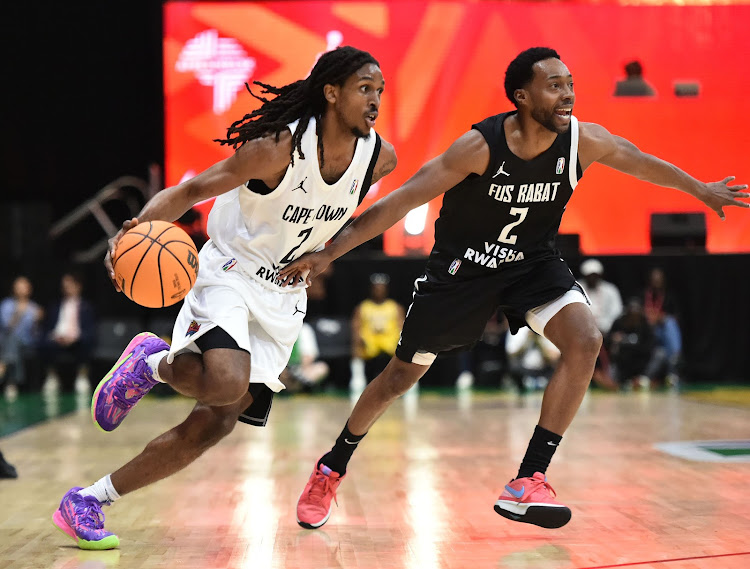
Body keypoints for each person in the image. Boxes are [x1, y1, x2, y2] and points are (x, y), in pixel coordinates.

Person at [280, 46, 748, 531]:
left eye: (569, 83)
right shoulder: (478, 147)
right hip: (464, 271)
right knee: (399, 378)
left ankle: (528, 479)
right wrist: (328, 253)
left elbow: (640, 161)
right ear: (522, 97)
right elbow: (397, 204)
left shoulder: (583, 141)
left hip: (531, 264)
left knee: (586, 339)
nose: (567, 94)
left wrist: (701, 190)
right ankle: (331, 467)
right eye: (554, 85)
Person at [52, 46, 397, 550]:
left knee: (217, 422)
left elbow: (378, 216)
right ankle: (155, 365)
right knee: (225, 381)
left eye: (380, 92)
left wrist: (331, 253)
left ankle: (90, 499)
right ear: (331, 92)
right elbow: (191, 191)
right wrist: (132, 233)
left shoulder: (378, 156)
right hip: (230, 272)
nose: (375, 101)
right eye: (365, 89)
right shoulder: (277, 149)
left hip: (285, 294)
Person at [42, 272, 96, 394]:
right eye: (64, 286)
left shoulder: (86, 306)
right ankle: (52, 377)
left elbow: (90, 330)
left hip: (77, 340)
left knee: (87, 342)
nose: (66, 289)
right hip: (58, 339)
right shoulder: (55, 306)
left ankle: (82, 376)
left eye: (69, 285)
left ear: (78, 286)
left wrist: (75, 337)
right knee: (44, 342)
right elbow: (49, 327)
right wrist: (56, 336)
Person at [349, 273, 404, 393]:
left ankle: (406, 379)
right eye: (376, 288)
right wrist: (359, 338)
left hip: (390, 341)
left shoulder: (395, 307)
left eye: (381, 288)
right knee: (356, 343)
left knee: (406, 346)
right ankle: (358, 377)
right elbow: (356, 327)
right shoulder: (362, 307)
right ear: (371, 289)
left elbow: (402, 327)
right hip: (369, 342)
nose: (379, 291)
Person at [578, 258, 622, 390]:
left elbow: (616, 311)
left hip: (606, 331)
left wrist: (604, 326)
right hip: (582, 331)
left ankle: (610, 375)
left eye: (595, 275)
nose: (592, 278)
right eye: (589, 276)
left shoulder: (610, 290)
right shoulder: (578, 288)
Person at [0, 276, 43, 399]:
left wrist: (38, 320)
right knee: (12, 340)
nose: (21, 289)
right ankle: (12, 383)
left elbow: (35, 334)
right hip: (6, 341)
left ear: (29, 289)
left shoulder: (34, 308)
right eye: (18, 286)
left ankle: (4, 366)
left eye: (24, 286)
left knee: (14, 344)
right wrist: (18, 312)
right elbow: (6, 327)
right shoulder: (6, 305)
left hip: (27, 343)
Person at [643, 267, 682, 385]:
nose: (656, 282)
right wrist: (649, 317)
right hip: (645, 330)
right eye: (654, 279)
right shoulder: (642, 295)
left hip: (662, 332)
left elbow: (675, 318)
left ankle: (674, 358)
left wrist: (660, 317)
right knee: (662, 350)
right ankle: (674, 364)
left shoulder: (669, 297)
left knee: (669, 325)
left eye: (659, 280)